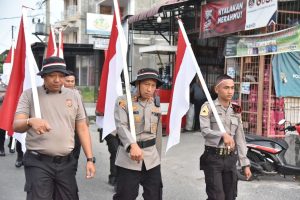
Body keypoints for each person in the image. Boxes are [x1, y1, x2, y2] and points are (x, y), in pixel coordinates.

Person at [13, 56, 96, 200]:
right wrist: (30, 121)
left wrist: (90, 159)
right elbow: (16, 125)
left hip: (66, 163)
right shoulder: (29, 94)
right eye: (52, 75)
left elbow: (82, 128)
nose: (57, 80)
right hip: (38, 163)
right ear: (43, 76)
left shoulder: (74, 95)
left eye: (61, 76)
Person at [113, 68, 163, 200]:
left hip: (151, 159)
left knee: (155, 196)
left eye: (153, 86)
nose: (149, 89)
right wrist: (132, 145)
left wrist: (158, 156)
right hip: (129, 157)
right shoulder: (124, 101)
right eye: (146, 84)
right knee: (126, 196)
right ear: (138, 84)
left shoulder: (156, 104)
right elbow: (121, 126)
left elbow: (157, 134)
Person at [199, 74, 251, 200]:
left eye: (232, 88)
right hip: (213, 158)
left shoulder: (236, 110)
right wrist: (222, 135)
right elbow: (205, 131)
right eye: (226, 88)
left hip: (230, 159)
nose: (230, 91)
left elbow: (240, 138)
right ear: (217, 89)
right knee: (217, 196)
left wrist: (245, 164)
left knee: (230, 196)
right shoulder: (208, 107)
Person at [63, 70, 89, 170]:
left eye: (72, 81)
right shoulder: (58, 94)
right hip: (64, 129)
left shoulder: (78, 94)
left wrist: (86, 121)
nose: (70, 83)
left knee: (75, 152)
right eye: (67, 81)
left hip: (76, 128)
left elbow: (82, 109)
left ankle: (72, 171)